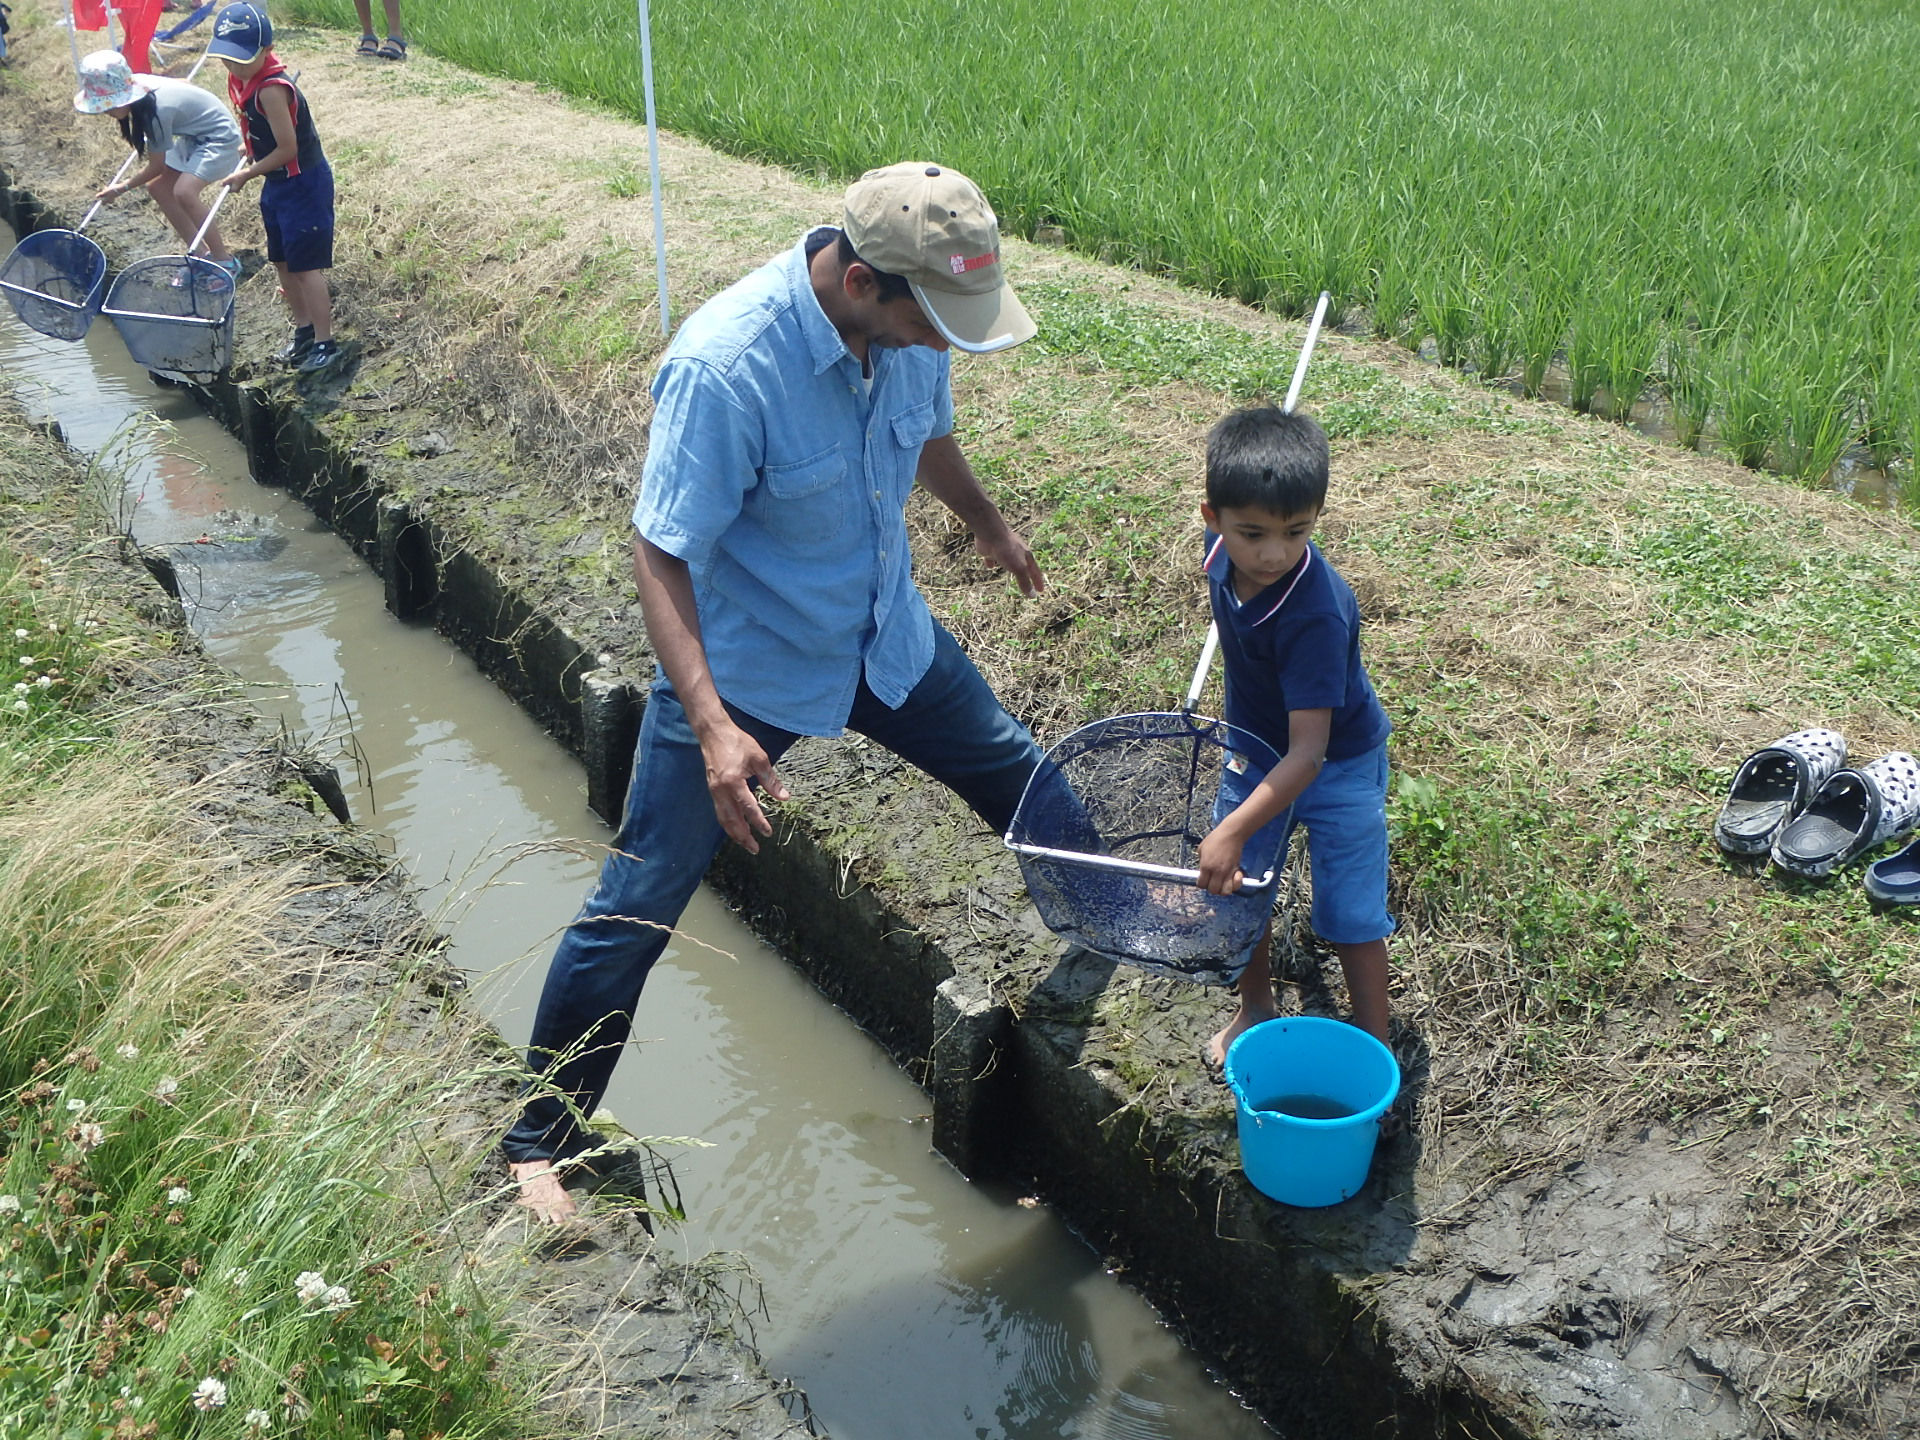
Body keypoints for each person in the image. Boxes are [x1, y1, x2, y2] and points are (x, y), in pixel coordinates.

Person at [505, 162, 1045, 1223]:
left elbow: (928, 432)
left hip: (883, 636)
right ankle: (538, 1136)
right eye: (933, 321)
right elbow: (660, 553)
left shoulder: (905, 330)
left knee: (1019, 773)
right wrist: (709, 726)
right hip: (745, 673)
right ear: (861, 286)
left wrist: (983, 521)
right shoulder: (726, 368)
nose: (945, 343)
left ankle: (1122, 929)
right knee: (638, 902)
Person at [1193, 406, 1394, 1070]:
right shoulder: (1220, 554)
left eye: (1296, 532)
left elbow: (1309, 755)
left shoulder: (1313, 614)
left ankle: (1374, 1040)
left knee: (1351, 913)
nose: (1274, 553)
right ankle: (1254, 1007)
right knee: (1244, 893)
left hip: (1335, 764)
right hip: (1254, 749)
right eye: (1253, 532)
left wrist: (1227, 832)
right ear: (1212, 518)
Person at [208, 3, 343, 375]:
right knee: (281, 261)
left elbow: (288, 149)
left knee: (305, 267)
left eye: (241, 59)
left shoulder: (270, 89)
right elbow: (252, 124)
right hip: (277, 184)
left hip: (303, 183)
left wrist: (247, 173)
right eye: (227, 59)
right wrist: (249, 146)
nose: (232, 67)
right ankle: (303, 330)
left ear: (265, 51)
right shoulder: (239, 78)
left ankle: (324, 341)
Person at [73, 49, 243, 277]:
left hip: (221, 138)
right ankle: (201, 256)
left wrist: (121, 188)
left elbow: (157, 167)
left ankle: (225, 262)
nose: (106, 111)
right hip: (194, 137)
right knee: (159, 188)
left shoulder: (156, 111)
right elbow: (182, 82)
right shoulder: (140, 85)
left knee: (184, 192)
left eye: (110, 104)